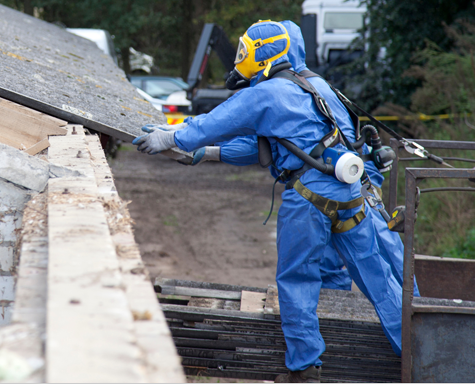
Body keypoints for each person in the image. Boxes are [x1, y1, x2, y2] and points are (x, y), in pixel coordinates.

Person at [134, 20, 404, 382]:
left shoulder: (264, 94)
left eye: (244, 53)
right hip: (350, 195)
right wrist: (210, 154)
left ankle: (305, 368)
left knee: (297, 279)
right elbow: (269, 146)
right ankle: (422, 354)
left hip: (308, 199)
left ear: (261, 54)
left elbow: (213, 123)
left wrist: (172, 139)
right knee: (379, 278)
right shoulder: (317, 85)